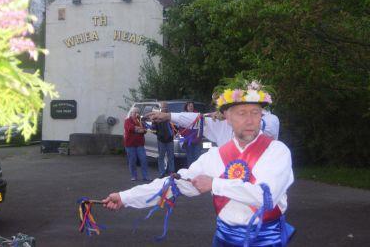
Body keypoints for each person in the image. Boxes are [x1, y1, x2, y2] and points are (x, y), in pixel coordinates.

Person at [102, 80, 294, 246]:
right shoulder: (216, 156)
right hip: (223, 240)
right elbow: (176, 183)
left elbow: (266, 197)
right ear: (227, 117)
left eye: (255, 112)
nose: (250, 120)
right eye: (242, 113)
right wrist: (124, 197)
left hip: (265, 241)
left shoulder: (276, 151)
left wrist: (214, 184)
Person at [147, 103, 280, 147]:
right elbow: (198, 119)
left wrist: (232, 115)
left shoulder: (271, 119)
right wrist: (169, 116)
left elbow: (263, 126)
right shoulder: (224, 122)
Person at [123, 107, 150, 181]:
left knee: (143, 160)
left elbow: (145, 130)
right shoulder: (127, 121)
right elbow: (131, 128)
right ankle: (134, 176)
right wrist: (138, 129)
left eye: (137, 112)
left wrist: (140, 129)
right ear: (131, 113)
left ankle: (146, 176)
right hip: (130, 144)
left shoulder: (140, 121)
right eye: (135, 112)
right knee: (132, 161)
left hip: (140, 144)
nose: (136, 114)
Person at [151, 102, 175, 178]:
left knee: (171, 156)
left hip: (170, 140)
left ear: (167, 107)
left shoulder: (170, 116)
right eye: (163, 106)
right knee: (161, 157)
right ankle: (162, 172)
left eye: (165, 106)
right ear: (161, 107)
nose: (164, 108)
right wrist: (158, 133)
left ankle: (171, 172)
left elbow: (175, 126)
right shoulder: (157, 116)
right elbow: (153, 128)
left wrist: (174, 133)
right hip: (161, 140)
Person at [181, 101, 202, 166]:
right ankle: (190, 172)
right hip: (188, 141)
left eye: (192, 106)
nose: (191, 107)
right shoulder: (183, 115)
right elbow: (181, 128)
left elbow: (201, 126)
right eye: (189, 106)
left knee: (197, 158)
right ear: (186, 107)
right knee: (190, 158)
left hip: (197, 140)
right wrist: (184, 136)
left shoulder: (198, 115)